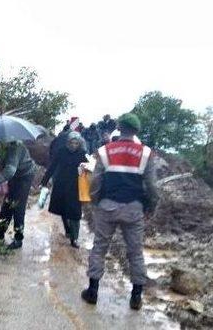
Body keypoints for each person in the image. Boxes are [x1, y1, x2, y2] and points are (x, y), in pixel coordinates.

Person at [81, 113, 159, 311]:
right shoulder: (145, 153)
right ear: (136, 130)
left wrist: (96, 201)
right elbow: (151, 186)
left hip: (107, 205)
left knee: (99, 247)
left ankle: (92, 291)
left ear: (119, 128)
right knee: (135, 252)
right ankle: (136, 297)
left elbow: (96, 181)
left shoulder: (106, 151)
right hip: (134, 208)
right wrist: (151, 206)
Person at [0, 141, 36, 250]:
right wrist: (4, 182)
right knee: (7, 203)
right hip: (15, 175)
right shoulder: (3, 145)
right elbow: (5, 165)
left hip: (25, 176)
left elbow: (10, 170)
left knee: (18, 206)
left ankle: (18, 239)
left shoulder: (14, 146)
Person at [40, 132, 88, 248]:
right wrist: (44, 181)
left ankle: (74, 238)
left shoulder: (82, 154)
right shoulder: (61, 152)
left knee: (75, 213)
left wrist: (88, 185)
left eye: (76, 143)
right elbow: (52, 166)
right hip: (61, 184)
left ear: (79, 144)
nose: (73, 145)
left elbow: (87, 171)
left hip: (75, 186)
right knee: (63, 209)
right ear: (68, 143)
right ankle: (68, 230)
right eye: (71, 142)